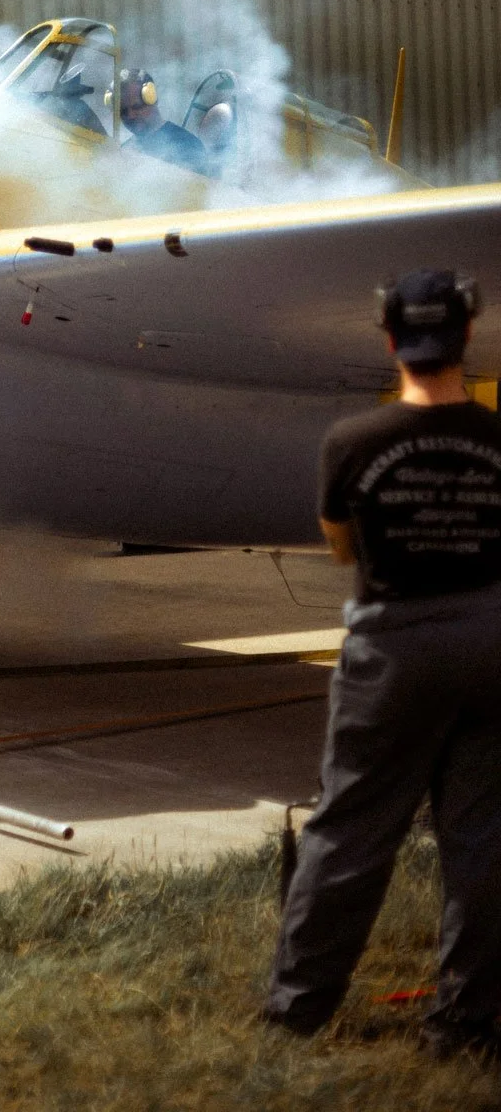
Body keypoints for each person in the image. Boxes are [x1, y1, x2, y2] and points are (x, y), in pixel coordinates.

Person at [265, 268, 501, 1057]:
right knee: (483, 839)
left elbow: (341, 548)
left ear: (390, 338)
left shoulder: (352, 442)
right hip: (493, 644)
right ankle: (463, 1026)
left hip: (395, 648)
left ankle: (297, 1011)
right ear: (467, 335)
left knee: (354, 830)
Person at [108, 68, 210, 175]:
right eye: (123, 111)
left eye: (137, 107)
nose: (130, 115)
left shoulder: (188, 146)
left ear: (152, 98)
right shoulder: (125, 150)